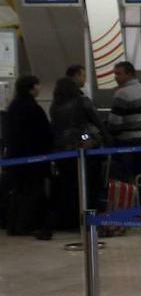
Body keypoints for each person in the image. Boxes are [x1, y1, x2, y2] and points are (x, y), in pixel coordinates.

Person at [50, 77, 109, 226]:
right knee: (90, 185)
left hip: (62, 150)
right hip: (84, 147)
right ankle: (90, 219)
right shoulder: (82, 101)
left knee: (69, 187)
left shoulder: (54, 106)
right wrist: (106, 139)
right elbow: (97, 121)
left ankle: (71, 220)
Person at [2, 75, 54, 239]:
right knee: (32, 192)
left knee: (18, 192)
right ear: (32, 87)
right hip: (32, 158)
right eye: (37, 85)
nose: (39, 88)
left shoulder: (13, 107)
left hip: (16, 157)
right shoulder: (32, 108)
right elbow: (42, 133)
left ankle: (14, 225)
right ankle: (25, 225)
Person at [108, 61, 141, 181]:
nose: (116, 77)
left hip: (126, 143)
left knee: (126, 178)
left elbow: (114, 124)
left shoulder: (121, 93)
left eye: (118, 74)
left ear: (129, 74)